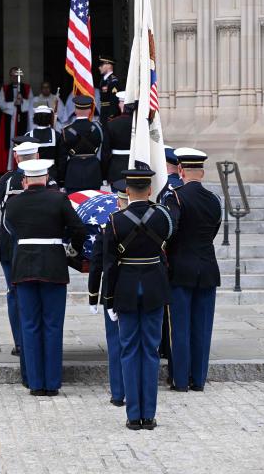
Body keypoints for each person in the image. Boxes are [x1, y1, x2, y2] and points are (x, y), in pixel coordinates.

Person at [6, 159, 86, 396]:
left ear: (25, 180)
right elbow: (79, 230)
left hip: (24, 265)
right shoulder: (58, 199)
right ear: (46, 176)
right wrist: (71, 250)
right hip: (53, 264)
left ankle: (34, 382)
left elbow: (11, 228)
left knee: (29, 325)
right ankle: (51, 383)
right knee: (52, 325)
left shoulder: (14, 203)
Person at [103, 169, 175, 430]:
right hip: (155, 288)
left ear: (128, 191)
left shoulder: (114, 221)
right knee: (151, 351)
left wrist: (108, 301)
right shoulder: (162, 218)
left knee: (130, 351)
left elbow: (109, 266)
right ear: (148, 190)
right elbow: (168, 242)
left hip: (126, 290)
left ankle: (133, 416)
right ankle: (149, 415)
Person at [165, 147, 222, 393]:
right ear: (202, 172)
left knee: (180, 327)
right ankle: (198, 379)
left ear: (180, 170)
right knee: (202, 327)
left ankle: (180, 380)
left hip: (180, 268)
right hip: (207, 267)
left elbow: (171, 231)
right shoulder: (214, 200)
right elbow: (213, 232)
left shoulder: (175, 198)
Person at [0, 138, 41, 357]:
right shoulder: (45, 182)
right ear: (38, 158)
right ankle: (32, 339)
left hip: (9, 241)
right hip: (35, 243)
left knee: (14, 292)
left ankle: (20, 342)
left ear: (16, 157)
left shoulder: (6, 180)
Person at [88, 179, 128, 407]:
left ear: (118, 201)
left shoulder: (109, 225)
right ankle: (137, 388)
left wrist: (94, 295)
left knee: (115, 343)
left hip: (113, 291)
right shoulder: (154, 220)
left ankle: (118, 392)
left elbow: (98, 264)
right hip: (143, 288)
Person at [58, 95, 103, 194]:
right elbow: (104, 152)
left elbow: (62, 158)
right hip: (94, 175)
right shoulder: (98, 129)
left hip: (73, 175)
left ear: (75, 111)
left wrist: (61, 179)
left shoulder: (66, 131)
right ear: (90, 111)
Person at [0, 67, 33, 174]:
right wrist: (13, 104)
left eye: (17, 75)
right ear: (10, 76)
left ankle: (21, 166)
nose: (15, 77)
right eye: (13, 75)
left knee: (22, 141)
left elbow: (31, 103)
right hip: (9, 119)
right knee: (9, 142)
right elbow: (0, 103)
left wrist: (22, 101)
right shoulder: (5, 88)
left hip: (23, 118)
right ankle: (9, 167)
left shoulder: (27, 88)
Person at [102, 91, 133, 188]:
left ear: (122, 105)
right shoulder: (139, 123)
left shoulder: (112, 123)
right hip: (135, 167)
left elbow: (105, 152)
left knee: (117, 200)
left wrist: (104, 175)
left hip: (116, 168)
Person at [25, 105, 59, 181]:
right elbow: (60, 158)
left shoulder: (28, 136)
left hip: (33, 173)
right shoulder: (57, 135)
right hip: (52, 173)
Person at [98, 55, 119, 126]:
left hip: (109, 115)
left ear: (109, 65)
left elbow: (114, 100)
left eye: (102, 65)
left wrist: (111, 116)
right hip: (104, 113)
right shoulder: (104, 80)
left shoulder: (113, 81)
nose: (99, 67)